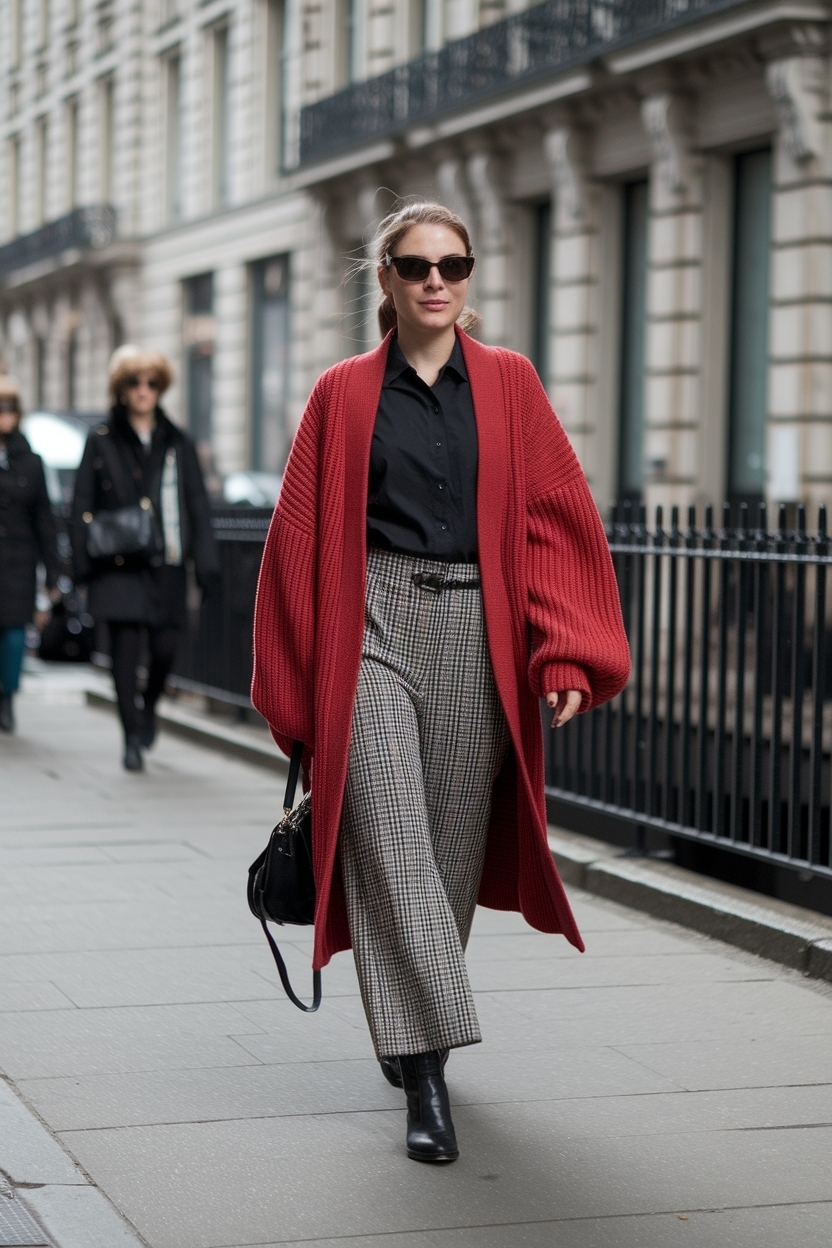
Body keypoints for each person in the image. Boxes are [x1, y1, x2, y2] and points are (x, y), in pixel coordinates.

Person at [251, 202, 630, 1164]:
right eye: (415, 265)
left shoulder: (511, 383)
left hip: (479, 633)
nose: (435, 281)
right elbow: (295, 543)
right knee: (388, 836)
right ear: (384, 278)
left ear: (469, 276)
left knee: (450, 856)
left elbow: (554, 520)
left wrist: (569, 652)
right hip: (370, 627)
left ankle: (407, 1023)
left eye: (453, 265)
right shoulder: (340, 394)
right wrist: (295, 694)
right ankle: (428, 1069)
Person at [71, 347, 219, 771]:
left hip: (167, 562)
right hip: (117, 565)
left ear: (160, 388)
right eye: (134, 382)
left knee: (166, 648)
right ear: (121, 389)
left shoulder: (177, 441)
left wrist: (206, 565)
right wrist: (80, 567)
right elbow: (81, 503)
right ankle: (130, 735)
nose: (142, 390)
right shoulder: (101, 440)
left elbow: (197, 506)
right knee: (124, 651)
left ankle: (148, 706)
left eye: (151, 382)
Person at [0, 375, 62, 732]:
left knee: (12, 635)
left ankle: (7, 695)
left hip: (19, 564)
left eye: (11, 408)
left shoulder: (32, 462)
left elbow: (46, 522)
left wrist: (54, 576)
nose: (5, 415)